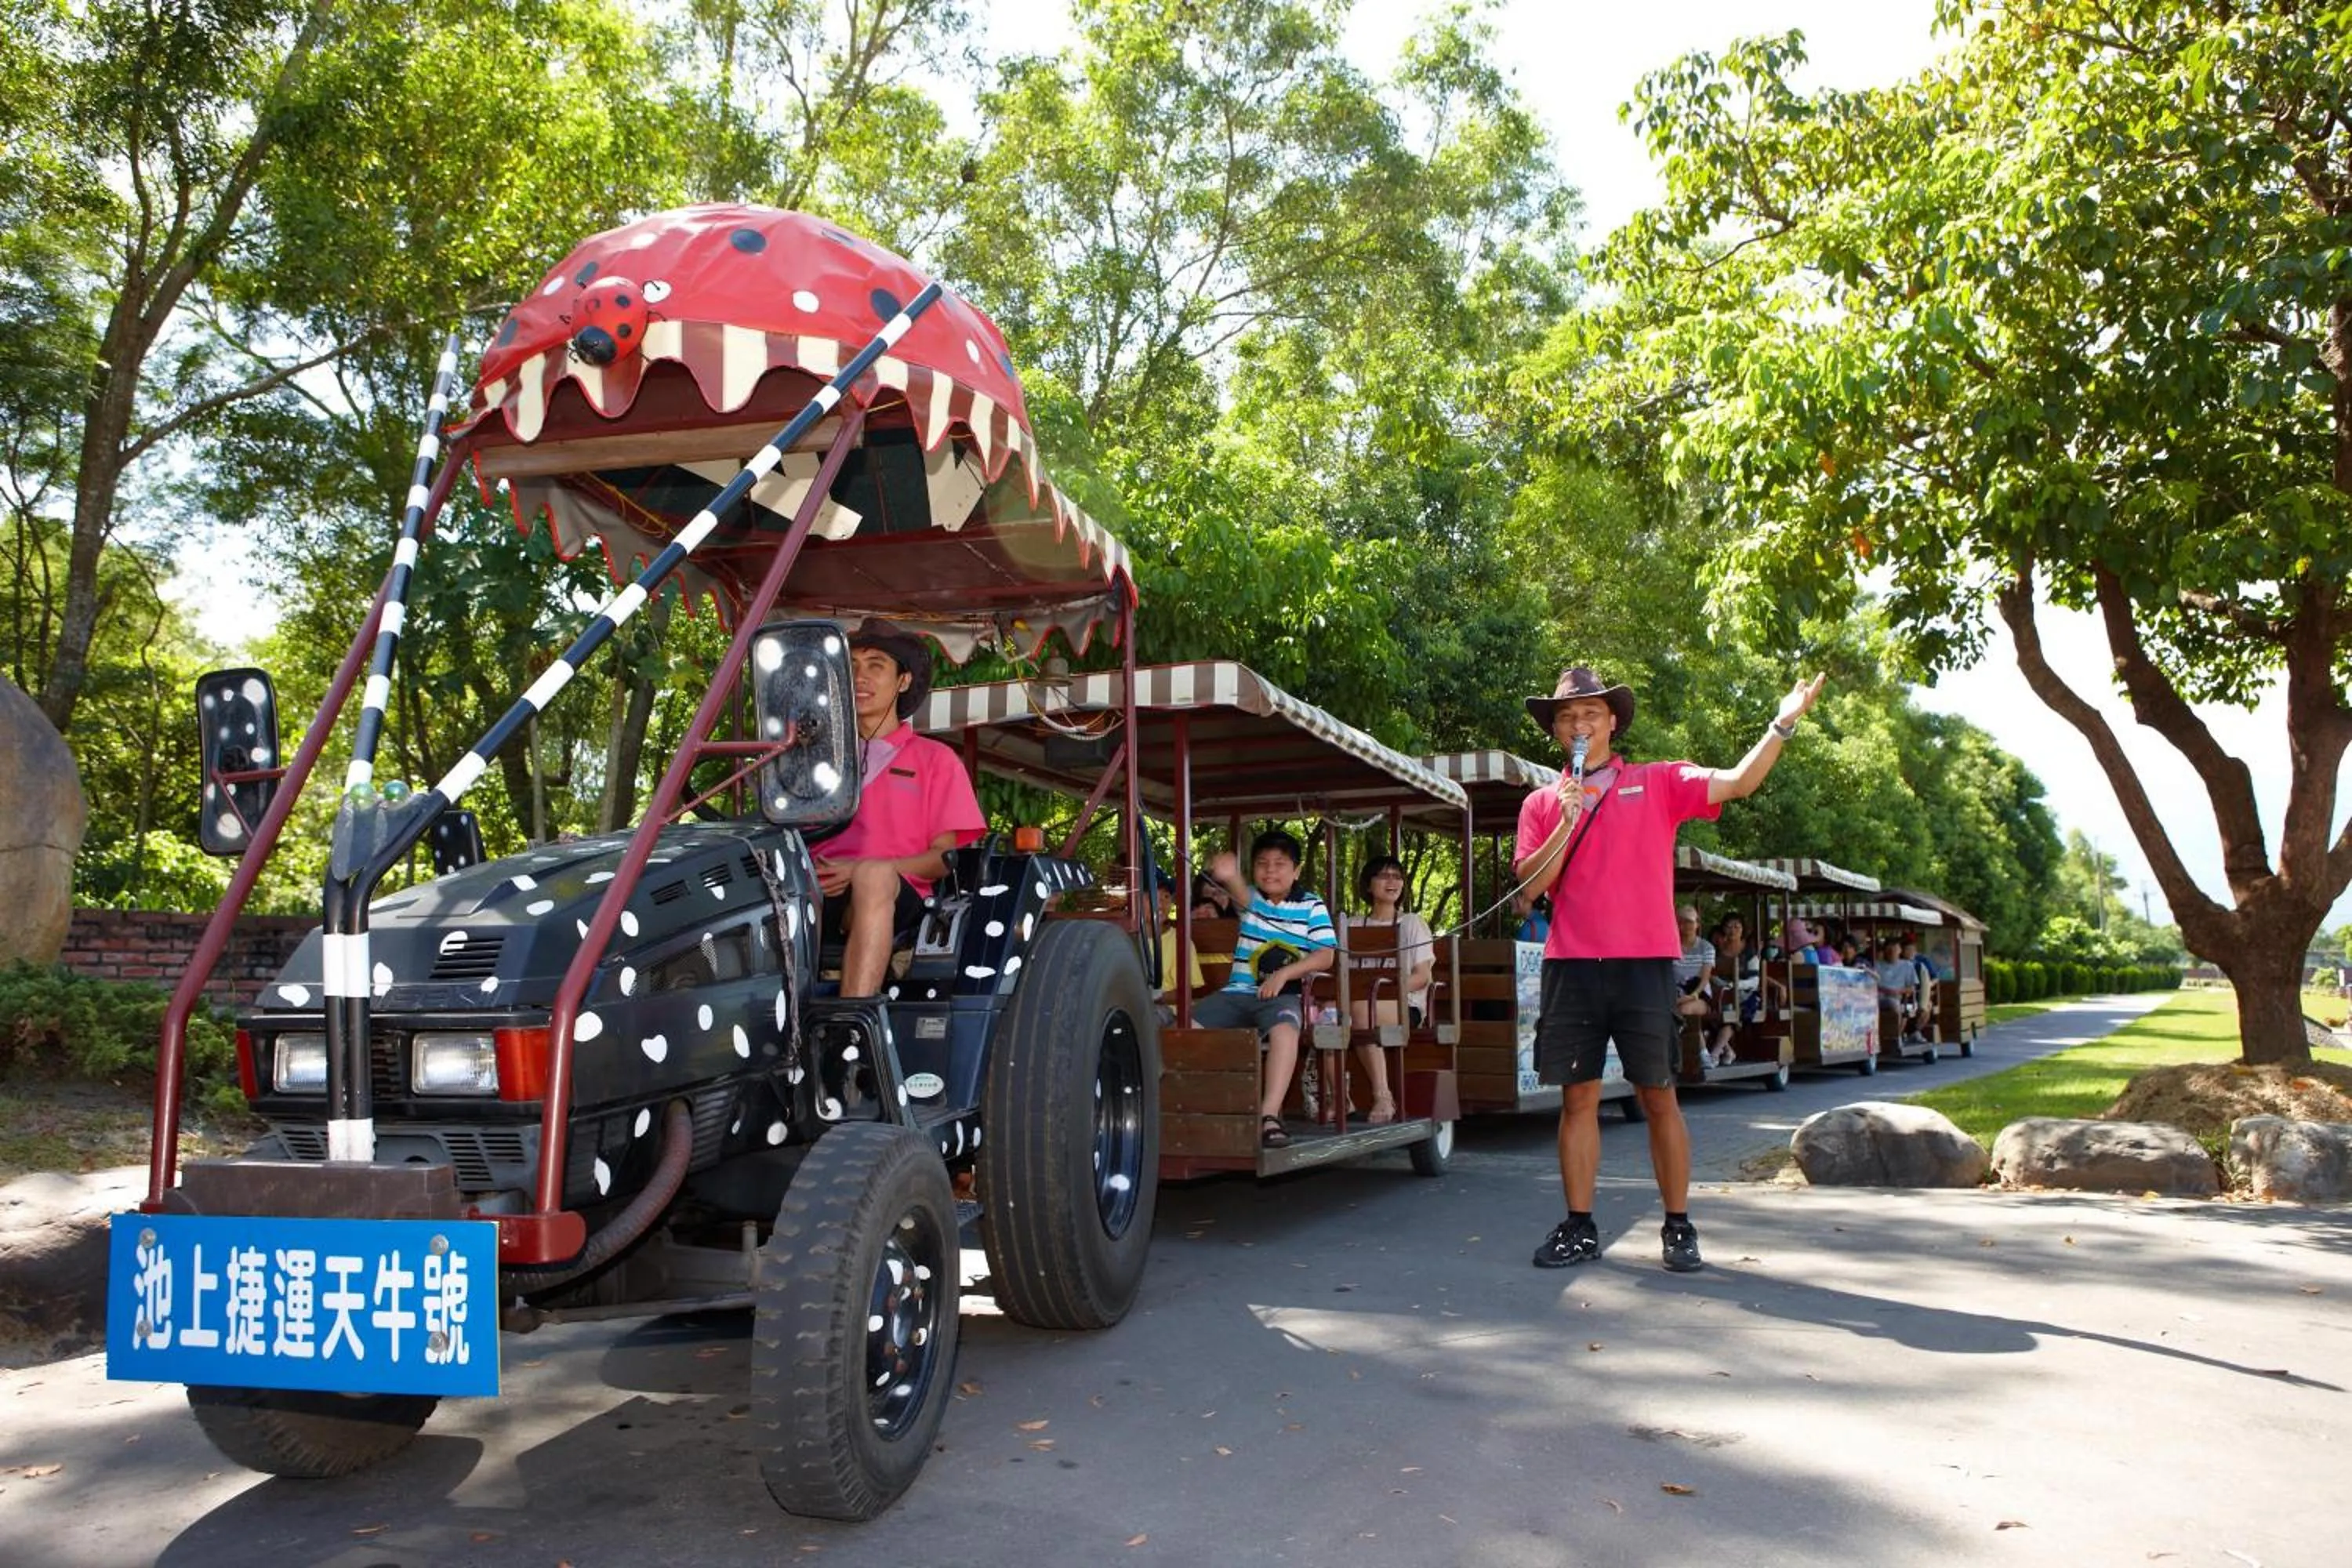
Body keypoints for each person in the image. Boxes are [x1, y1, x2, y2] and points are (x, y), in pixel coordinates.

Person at [1515, 664, 1823, 1273]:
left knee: (1660, 1095)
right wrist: (1567, 821)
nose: (1580, 725)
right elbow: (1531, 888)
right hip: (1573, 964)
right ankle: (1579, 1226)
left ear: (1612, 723)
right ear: (1556, 730)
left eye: (1591, 715)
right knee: (1578, 1100)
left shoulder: (1656, 782)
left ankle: (1678, 1225)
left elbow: (1736, 783)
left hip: (1646, 964)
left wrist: (1782, 724)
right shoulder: (1542, 802)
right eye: (1568, 717)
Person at [812, 620, 986, 997]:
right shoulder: (812, 760)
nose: (861, 677)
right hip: (814, 892)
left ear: (903, 681)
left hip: (898, 896)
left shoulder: (936, 760)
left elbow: (945, 858)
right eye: (852, 666)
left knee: (873, 877)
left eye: (876, 665)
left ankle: (853, 1017)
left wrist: (859, 870)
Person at [1194, 830, 1337, 1148]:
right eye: (1262, 864)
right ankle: (1194, 1110)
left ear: (1296, 871)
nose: (1270, 871)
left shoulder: (1311, 906)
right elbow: (1240, 893)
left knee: (1285, 1032)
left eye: (1280, 864)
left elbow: (1326, 955)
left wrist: (1285, 973)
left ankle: (1269, 1116)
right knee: (1185, 1027)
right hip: (1237, 994)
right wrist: (1230, 876)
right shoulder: (1253, 901)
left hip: (1284, 998)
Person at [1342, 854, 1434, 1125]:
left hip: (1405, 1005)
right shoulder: (1352, 925)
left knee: (1359, 1011)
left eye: (1397, 876)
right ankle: (1338, 1096)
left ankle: (1383, 1095)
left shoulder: (1412, 923)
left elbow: (1422, 976)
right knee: (1329, 1014)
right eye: (1384, 876)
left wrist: (1380, 993)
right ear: (1368, 886)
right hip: (1359, 1004)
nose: (1392, 881)